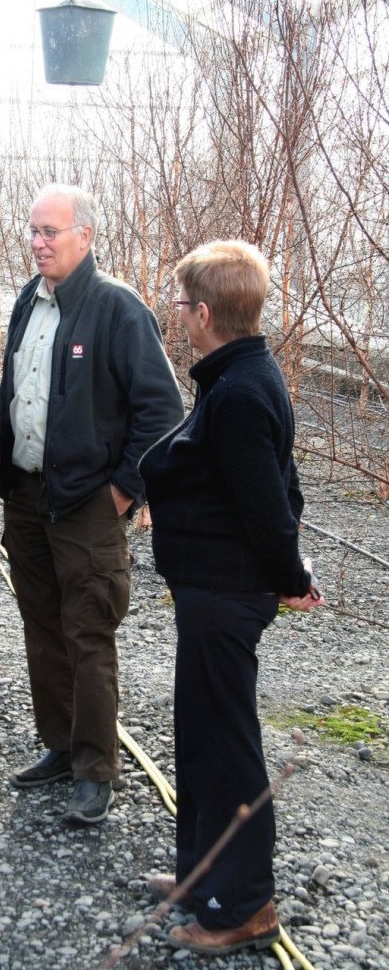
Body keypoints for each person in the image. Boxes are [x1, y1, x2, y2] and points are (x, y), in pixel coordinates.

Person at [139, 240, 324, 953]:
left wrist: (289, 577)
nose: (178, 314)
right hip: (209, 593)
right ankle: (200, 878)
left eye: (182, 303)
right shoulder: (239, 375)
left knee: (226, 749)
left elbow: (267, 504)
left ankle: (242, 905)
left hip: (224, 594)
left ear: (206, 312)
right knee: (201, 737)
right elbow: (281, 480)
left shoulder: (242, 389)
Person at [0, 184, 184, 826]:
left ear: (86, 236)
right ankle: (60, 744)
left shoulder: (117, 308)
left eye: (51, 231)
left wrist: (124, 491)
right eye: (33, 231)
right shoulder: (29, 300)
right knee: (42, 628)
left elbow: (162, 410)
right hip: (26, 495)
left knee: (88, 631)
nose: (39, 243)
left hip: (87, 504)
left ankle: (95, 770)